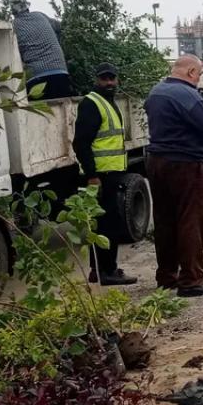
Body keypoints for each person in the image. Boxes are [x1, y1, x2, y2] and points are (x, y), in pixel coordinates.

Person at [144, 55, 203, 297]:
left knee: (165, 221)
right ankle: (191, 280)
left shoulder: (156, 92)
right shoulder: (186, 94)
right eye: (198, 75)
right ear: (191, 71)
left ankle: (167, 276)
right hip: (186, 164)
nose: (198, 80)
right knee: (191, 221)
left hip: (157, 162)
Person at [72, 63, 137, 286]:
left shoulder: (108, 102)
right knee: (109, 225)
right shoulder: (92, 104)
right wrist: (92, 175)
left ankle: (97, 270)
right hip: (101, 176)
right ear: (97, 80)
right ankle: (108, 271)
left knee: (103, 224)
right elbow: (80, 143)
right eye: (104, 79)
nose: (109, 83)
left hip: (110, 174)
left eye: (112, 79)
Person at [9, 0, 75, 99]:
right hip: (61, 72)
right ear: (27, 7)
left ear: (13, 11)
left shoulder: (14, 27)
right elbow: (59, 26)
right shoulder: (40, 15)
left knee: (40, 112)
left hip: (37, 77)